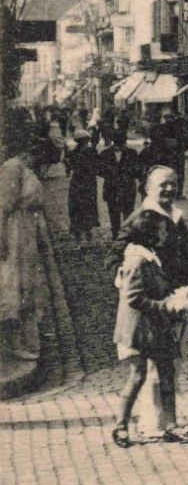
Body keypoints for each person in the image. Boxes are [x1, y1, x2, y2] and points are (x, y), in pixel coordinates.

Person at [109, 213, 188, 448]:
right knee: (137, 376)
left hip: (155, 327)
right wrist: (166, 306)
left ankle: (171, 425)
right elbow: (133, 297)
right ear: (149, 235)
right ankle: (120, 426)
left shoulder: (149, 256)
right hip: (139, 330)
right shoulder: (136, 261)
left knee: (166, 374)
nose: (164, 236)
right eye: (160, 232)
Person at [1, 125, 57, 361]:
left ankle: (27, 334)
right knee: (15, 284)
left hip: (27, 231)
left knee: (29, 283)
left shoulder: (25, 167)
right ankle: (13, 341)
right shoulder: (12, 168)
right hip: (15, 232)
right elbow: (3, 206)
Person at [98, 129, 144, 233]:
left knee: (118, 211)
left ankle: (120, 233)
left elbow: (137, 170)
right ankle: (119, 233)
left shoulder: (131, 153)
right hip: (117, 187)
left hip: (121, 187)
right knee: (123, 211)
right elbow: (100, 170)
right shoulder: (106, 154)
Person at [65, 127, 102, 244]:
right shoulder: (92, 151)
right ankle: (88, 233)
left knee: (76, 207)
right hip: (89, 183)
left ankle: (78, 236)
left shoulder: (72, 153)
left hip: (76, 182)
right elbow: (98, 167)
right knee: (88, 206)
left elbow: (68, 168)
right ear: (86, 140)